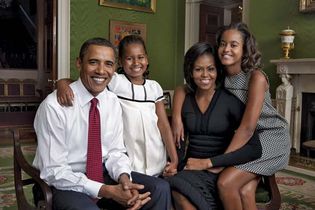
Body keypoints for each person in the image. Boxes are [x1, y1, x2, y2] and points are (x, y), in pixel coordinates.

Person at [33, 37, 171, 210]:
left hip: (102, 173)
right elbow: (54, 171)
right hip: (63, 183)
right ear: (79, 63)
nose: (101, 70)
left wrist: (124, 179)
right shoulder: (54, 106)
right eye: (93, 62)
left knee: (160, 188)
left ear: (114, 68)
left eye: (108, 64)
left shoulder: (112, 101)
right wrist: (107, 191)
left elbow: (116, 151)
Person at [172, 22, 291, 210]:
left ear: (245, 49)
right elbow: (183, 88)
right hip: (249, 140)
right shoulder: (220, 75)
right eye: (222, 44)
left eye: (234, 45)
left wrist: (220, 162)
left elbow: (247, 128)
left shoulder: (256, 78)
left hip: (269, 137)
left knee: (225, 182)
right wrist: (177, 117)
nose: (226, 49)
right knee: (245, 191)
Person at [56, 35, 178, 178]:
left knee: (158, 187)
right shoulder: (115, 81)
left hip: (156, 153)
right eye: (129, 58)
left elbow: (163, 125)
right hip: (129, 156)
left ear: (147, 59)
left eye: (141, 57)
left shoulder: (154, 87)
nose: (136, 62)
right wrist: (61, 83)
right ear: (119, 62)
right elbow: (85, 81)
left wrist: (174, 159)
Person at [167, 42, 262, 210]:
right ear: (190, 71)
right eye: (198, 69)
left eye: (210, 69)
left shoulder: (229, 101)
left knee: (179, 190)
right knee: (174, 189)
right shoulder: (185, 100)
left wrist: (212, 163)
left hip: (218, 170)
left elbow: (254, 148)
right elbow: (180, 140)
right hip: (191, 168)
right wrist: (174, 163)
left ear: (218, 71)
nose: (205, 75)